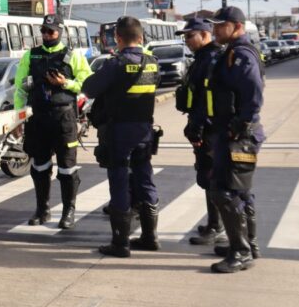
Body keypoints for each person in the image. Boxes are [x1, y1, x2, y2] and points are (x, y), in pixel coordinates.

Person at [82, 16, 160, 257]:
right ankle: (149, 237)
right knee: (145, 179)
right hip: (145, 132)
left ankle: (120, 243)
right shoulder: (152, 62)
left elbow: (90, 88)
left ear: (117, 38)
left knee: (119, 183)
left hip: (120, 132)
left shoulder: (116, 64)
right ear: (141, 37)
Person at [12, 14, 92, 229]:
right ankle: (42, 210)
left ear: (60, 32)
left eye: (51, 31)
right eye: (43, 31)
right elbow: (20, 87)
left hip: (64, 117)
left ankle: (68, 211)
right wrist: (18, 117)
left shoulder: (72, 56)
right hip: (38, 118)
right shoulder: (31, 56)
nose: (46, 35)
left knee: (67, 168)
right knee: (39, 167)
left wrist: (65, 83)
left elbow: (87, 82)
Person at [205, 6, 265, 273]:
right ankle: (245, 245)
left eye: (220, 25)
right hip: (229, 130)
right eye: (214, 25)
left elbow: (253, 94)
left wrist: (240, 125)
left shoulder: (240, 56)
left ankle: (240, 252)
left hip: (237, 133)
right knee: (239, 190)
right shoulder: (230, 53)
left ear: (237, 27)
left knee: (224, 190)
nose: (215, 30)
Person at [174, 17, 226, 246]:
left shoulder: (210, 60)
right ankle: (214, 222)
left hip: (210, 129)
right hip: (208, 127)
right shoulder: (203, 58)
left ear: (205, 35)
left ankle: (217, 226)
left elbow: (206, 101)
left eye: (190, 36)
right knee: (207, 176)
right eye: (185, 37)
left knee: (212, 177)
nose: (187, 41)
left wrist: (197, 128)